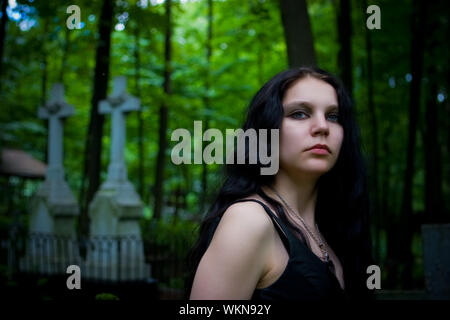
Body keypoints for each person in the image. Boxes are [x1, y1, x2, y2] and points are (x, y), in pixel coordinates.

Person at [185, 67, 374, 301]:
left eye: (333, 116)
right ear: (267, 129)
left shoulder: (334, 228)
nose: (322, 126)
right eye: (299, 113)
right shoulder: (249, 221)